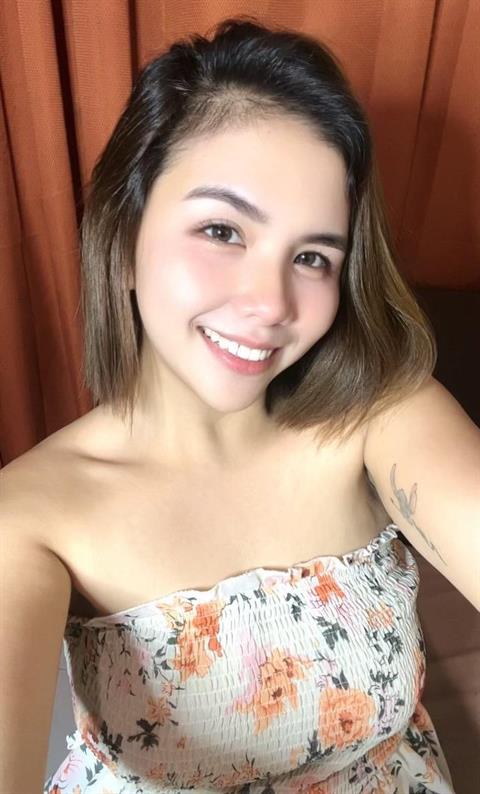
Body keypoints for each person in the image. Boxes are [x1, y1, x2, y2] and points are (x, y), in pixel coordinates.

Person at [2, 15, 479, 794]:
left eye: (312, 256)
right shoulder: (30, 515)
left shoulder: (378, 414)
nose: (271, 303)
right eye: (222, 230)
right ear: (125, 237)